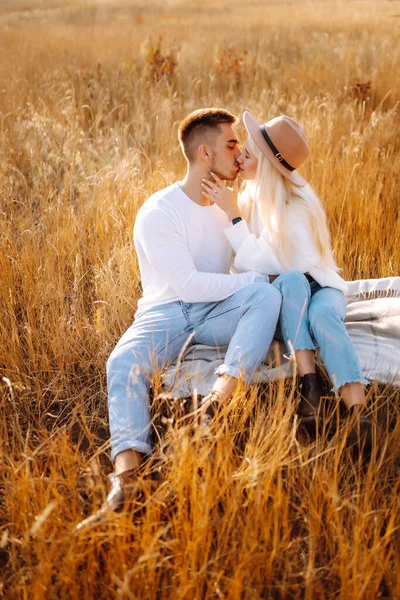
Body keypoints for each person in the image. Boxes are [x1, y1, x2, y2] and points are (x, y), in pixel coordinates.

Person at [78, 108, 282, 525]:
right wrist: (254, 282)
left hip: (215, 310)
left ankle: (218, 403)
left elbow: (269, 265)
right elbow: (188, 286)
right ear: (205, 153)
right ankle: (128, 478)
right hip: (165, 314)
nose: (239, 152)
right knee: (122, 361)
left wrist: (242, 232)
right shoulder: (159, 212)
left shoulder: (232, 203)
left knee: (266, 299)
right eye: (230, 144)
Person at [200, 111, 372, 447]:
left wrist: (233, 215)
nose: (239, 158)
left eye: (247, 154)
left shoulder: (296, 207)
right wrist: (234, 208)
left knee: (321, 313)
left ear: (265, 165)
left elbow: (263, 259)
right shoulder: (251, 197)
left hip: (321, 289)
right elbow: (253, 267)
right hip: (288, 294)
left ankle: (359, 416)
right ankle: (312, 386)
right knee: (291, 281)